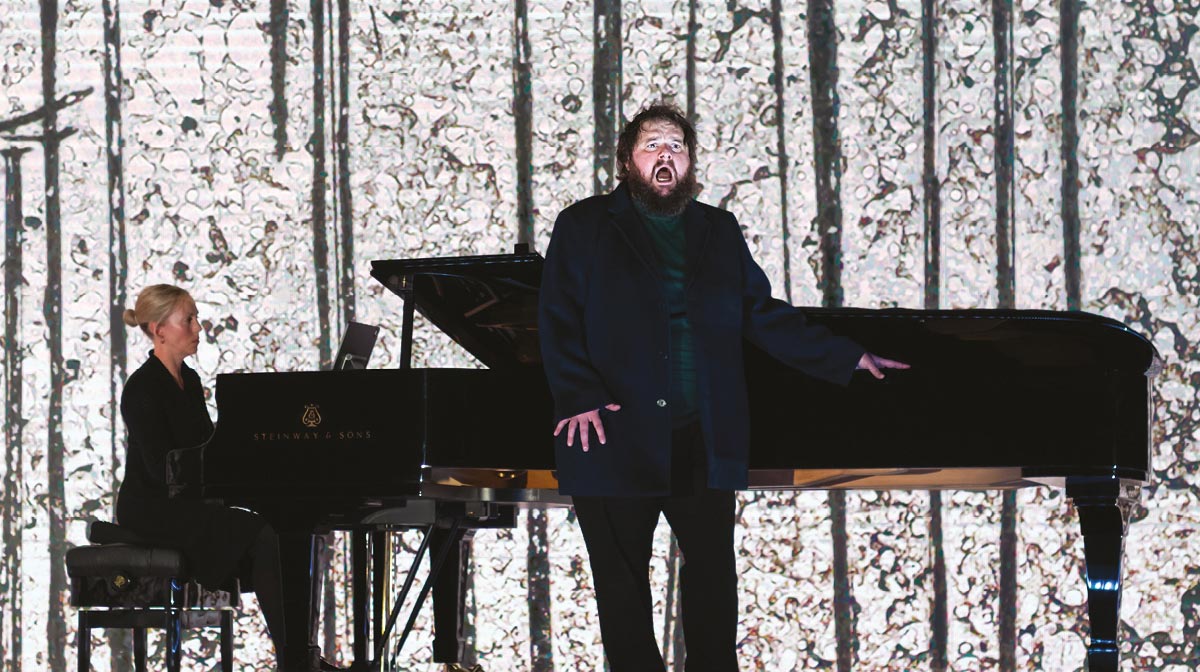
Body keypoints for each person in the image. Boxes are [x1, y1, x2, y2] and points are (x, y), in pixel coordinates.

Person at [537, 103, 908, 671]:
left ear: (690, 163)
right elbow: (557, 317)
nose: (667, 155)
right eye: (653, 144)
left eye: (678, 147)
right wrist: (578, 393)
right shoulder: (584, 225)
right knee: (622, 593)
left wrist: (846, 355)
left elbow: (760, 314)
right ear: (627, 161)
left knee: (713, 587)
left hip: (700, 438)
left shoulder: (717, 229)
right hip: (614, 435)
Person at [117, 284, 305, 671]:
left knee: (283, 535)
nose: (198, 328)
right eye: (188, 319)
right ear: (159, 329)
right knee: (263, 536)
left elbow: (207, 447)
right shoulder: (141, 389)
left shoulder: (189, 383)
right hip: (152, 508)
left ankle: (298, 654)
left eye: (196, 318)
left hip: (184, 502)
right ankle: (295, 659)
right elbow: (161, 469)